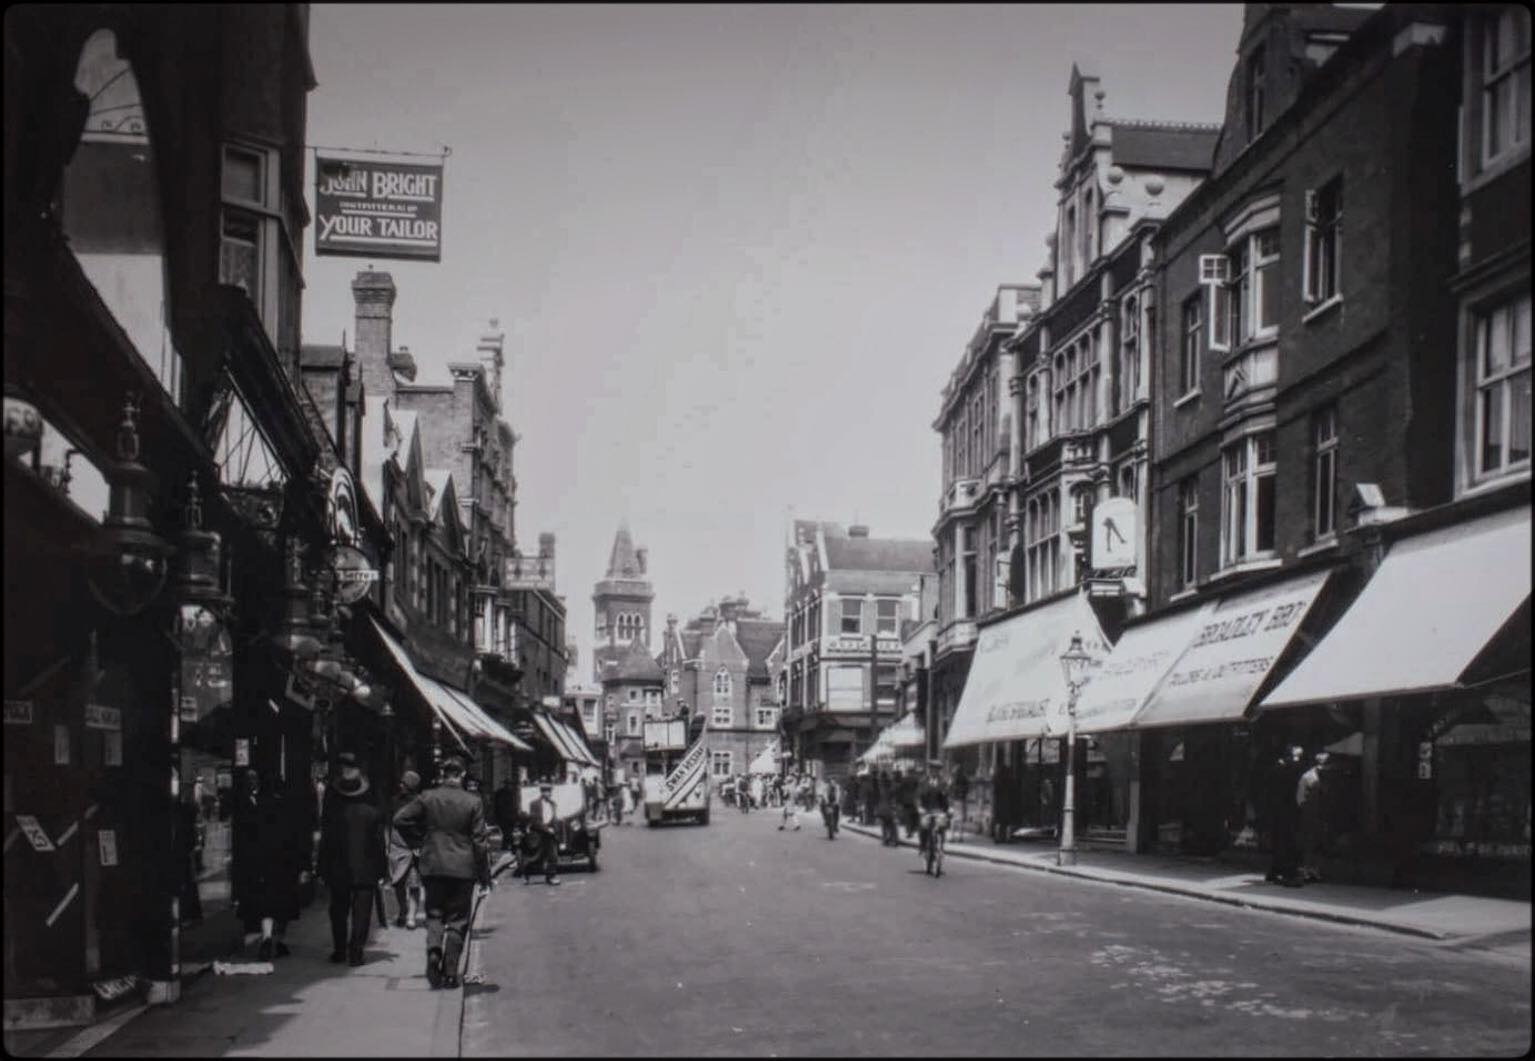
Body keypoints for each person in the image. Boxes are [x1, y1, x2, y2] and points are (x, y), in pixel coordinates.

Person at [393, 756, 492, 990]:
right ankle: (450, 972)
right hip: (463, 868)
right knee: (458, 920)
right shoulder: (473, 802)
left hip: (433, 865)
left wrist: (419, 841)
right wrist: (484, 876)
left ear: (443, 775)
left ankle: (434, 951)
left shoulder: (427, 797)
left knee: (434, 914)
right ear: (462, 775)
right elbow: (480, 842)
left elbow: (400, 819)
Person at [319, 752, 386, 967]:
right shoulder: (372, 814)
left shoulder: (332, 815)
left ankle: (339, 950)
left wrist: (321, 869)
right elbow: (379, 846)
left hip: (338, 869)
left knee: (338, 911)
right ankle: (356, 952)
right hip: (366, 871)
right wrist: (382, 871)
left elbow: (325, 843)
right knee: (362, 913)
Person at [231, 769, 304, 960]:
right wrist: (301, 864)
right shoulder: (289, 807)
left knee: (267, 904)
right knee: (285, 904)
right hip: (285, 863)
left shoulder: (258, 807)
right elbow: (296, 838)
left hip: (264, 862)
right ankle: (279, 941)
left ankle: (267, 937)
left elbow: (249, 838)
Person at [1265, 746, 1306, 887]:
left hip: (1279, 810)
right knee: (1288, 842)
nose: (1298, 759)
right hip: (1289, 810)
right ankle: (1289, 874)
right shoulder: (1293, 769)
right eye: (1297, 756)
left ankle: (1276, 870)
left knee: (1280, 841)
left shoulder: (1278, 768)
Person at [389, 770, 425, 928]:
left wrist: (420, 843)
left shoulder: (421, 803)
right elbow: (389, 824)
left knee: (414, 883)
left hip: (414, 848)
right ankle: (403, 909)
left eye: (404, 783)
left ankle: (411, 916)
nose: (400, 785)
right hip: (397, 847)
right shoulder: (394, 801)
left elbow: (424, 825)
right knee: (398, 882)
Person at [1297, 752, 1330, 883]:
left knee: (1320, 842)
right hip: (1310, 813)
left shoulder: (1327, 777)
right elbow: (1300, 797)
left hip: (1322, 813)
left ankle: (1315, 869)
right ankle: (1305, 868)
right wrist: (1306, 810)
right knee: (1309, 842)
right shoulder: (1308, 777)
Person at [525, 781, 562, 886]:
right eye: (547, 791)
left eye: (550, 791)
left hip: (550, 834)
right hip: (539, 833)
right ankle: (527, 868)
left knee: (553, 856)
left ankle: (551, 877)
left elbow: (554, 818)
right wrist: (546, 829)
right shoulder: (534, 804)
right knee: (538, 857)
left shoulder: (553, 804)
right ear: (542, 792)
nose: (549, 793)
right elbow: (535, 821)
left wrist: (556, 830)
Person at [917, 764, 952, 856]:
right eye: (932, 770)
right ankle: (922, 847)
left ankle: (941, 847)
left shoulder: (943, 782)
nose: (934, 772)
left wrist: (950, 808)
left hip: (939, 809)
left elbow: (947, 796)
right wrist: (919, 807)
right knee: (923, 827)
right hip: (926, 809)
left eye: (936, 770)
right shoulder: (923, 782)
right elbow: (918, 796)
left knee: (941, 827)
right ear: (929, 771)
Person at [493, 778, 521, 852]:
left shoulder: (513, 792)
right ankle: (510, 846)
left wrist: (516, 815)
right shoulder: (500, 793)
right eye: (508, 784)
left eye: (510, 784)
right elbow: (498, 805)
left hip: (510, 816)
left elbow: (515, 805)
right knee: (507, 832)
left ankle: (505, 846)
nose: (509, 785)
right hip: (504, 816)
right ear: (505, 784)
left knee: (508, 832)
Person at [876, 770, 898, 846]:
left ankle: (885, 839)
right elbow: (894, 795)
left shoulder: (881, 786)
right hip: (890, 807)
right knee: (892, 824)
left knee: (884, 824)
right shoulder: (891, 785)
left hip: (883, 807)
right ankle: (893, 840)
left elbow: (879, 797)